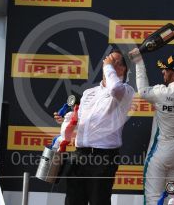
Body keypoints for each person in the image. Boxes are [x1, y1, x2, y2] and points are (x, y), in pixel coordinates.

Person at [129, 27, 174, 205]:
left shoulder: (162, 93)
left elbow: (143, 90)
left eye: (166, 70)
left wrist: (138, 60)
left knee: (154, 200)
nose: (163, 72)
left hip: (159, 154)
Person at [54, 49, 135, 205]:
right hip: (79, 155)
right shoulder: (88, 92)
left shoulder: (125, 91)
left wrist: (108, 66)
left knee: (99, 201)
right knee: (73, 202)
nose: (110, 64)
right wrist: (67, 119)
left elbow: (114, 88)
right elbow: (82, 120)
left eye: (116, 62)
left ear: (123, 69)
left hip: (103, 158)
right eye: (109, 60)